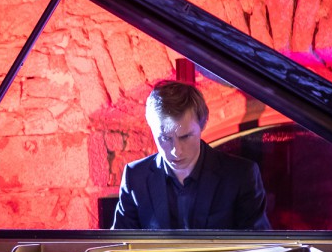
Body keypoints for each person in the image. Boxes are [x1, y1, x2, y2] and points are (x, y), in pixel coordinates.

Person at [111, 80, 270, 230]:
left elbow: (259, 249)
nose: (176, 151)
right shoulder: (135, 176)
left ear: (203, 125)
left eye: (185, 137)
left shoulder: (241, 175)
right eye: (165, 138)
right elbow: (119, 246)